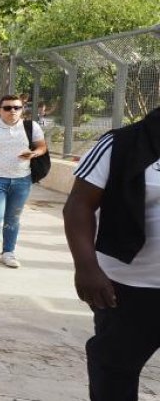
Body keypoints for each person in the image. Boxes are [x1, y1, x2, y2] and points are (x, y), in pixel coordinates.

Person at [63, 105, 160, 401]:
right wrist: (87, 267)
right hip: (131, 286)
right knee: (114, 370)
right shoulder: (121, 144)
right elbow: (79, 205)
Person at [0, 95, 46, 269]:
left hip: (22, 179)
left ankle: (8, 252)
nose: (12, 111)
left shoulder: (31, 127)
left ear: (22, 109)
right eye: (7, 108)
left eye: (17, 107)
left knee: (13, 218)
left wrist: (33, 153)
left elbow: (42, 147)